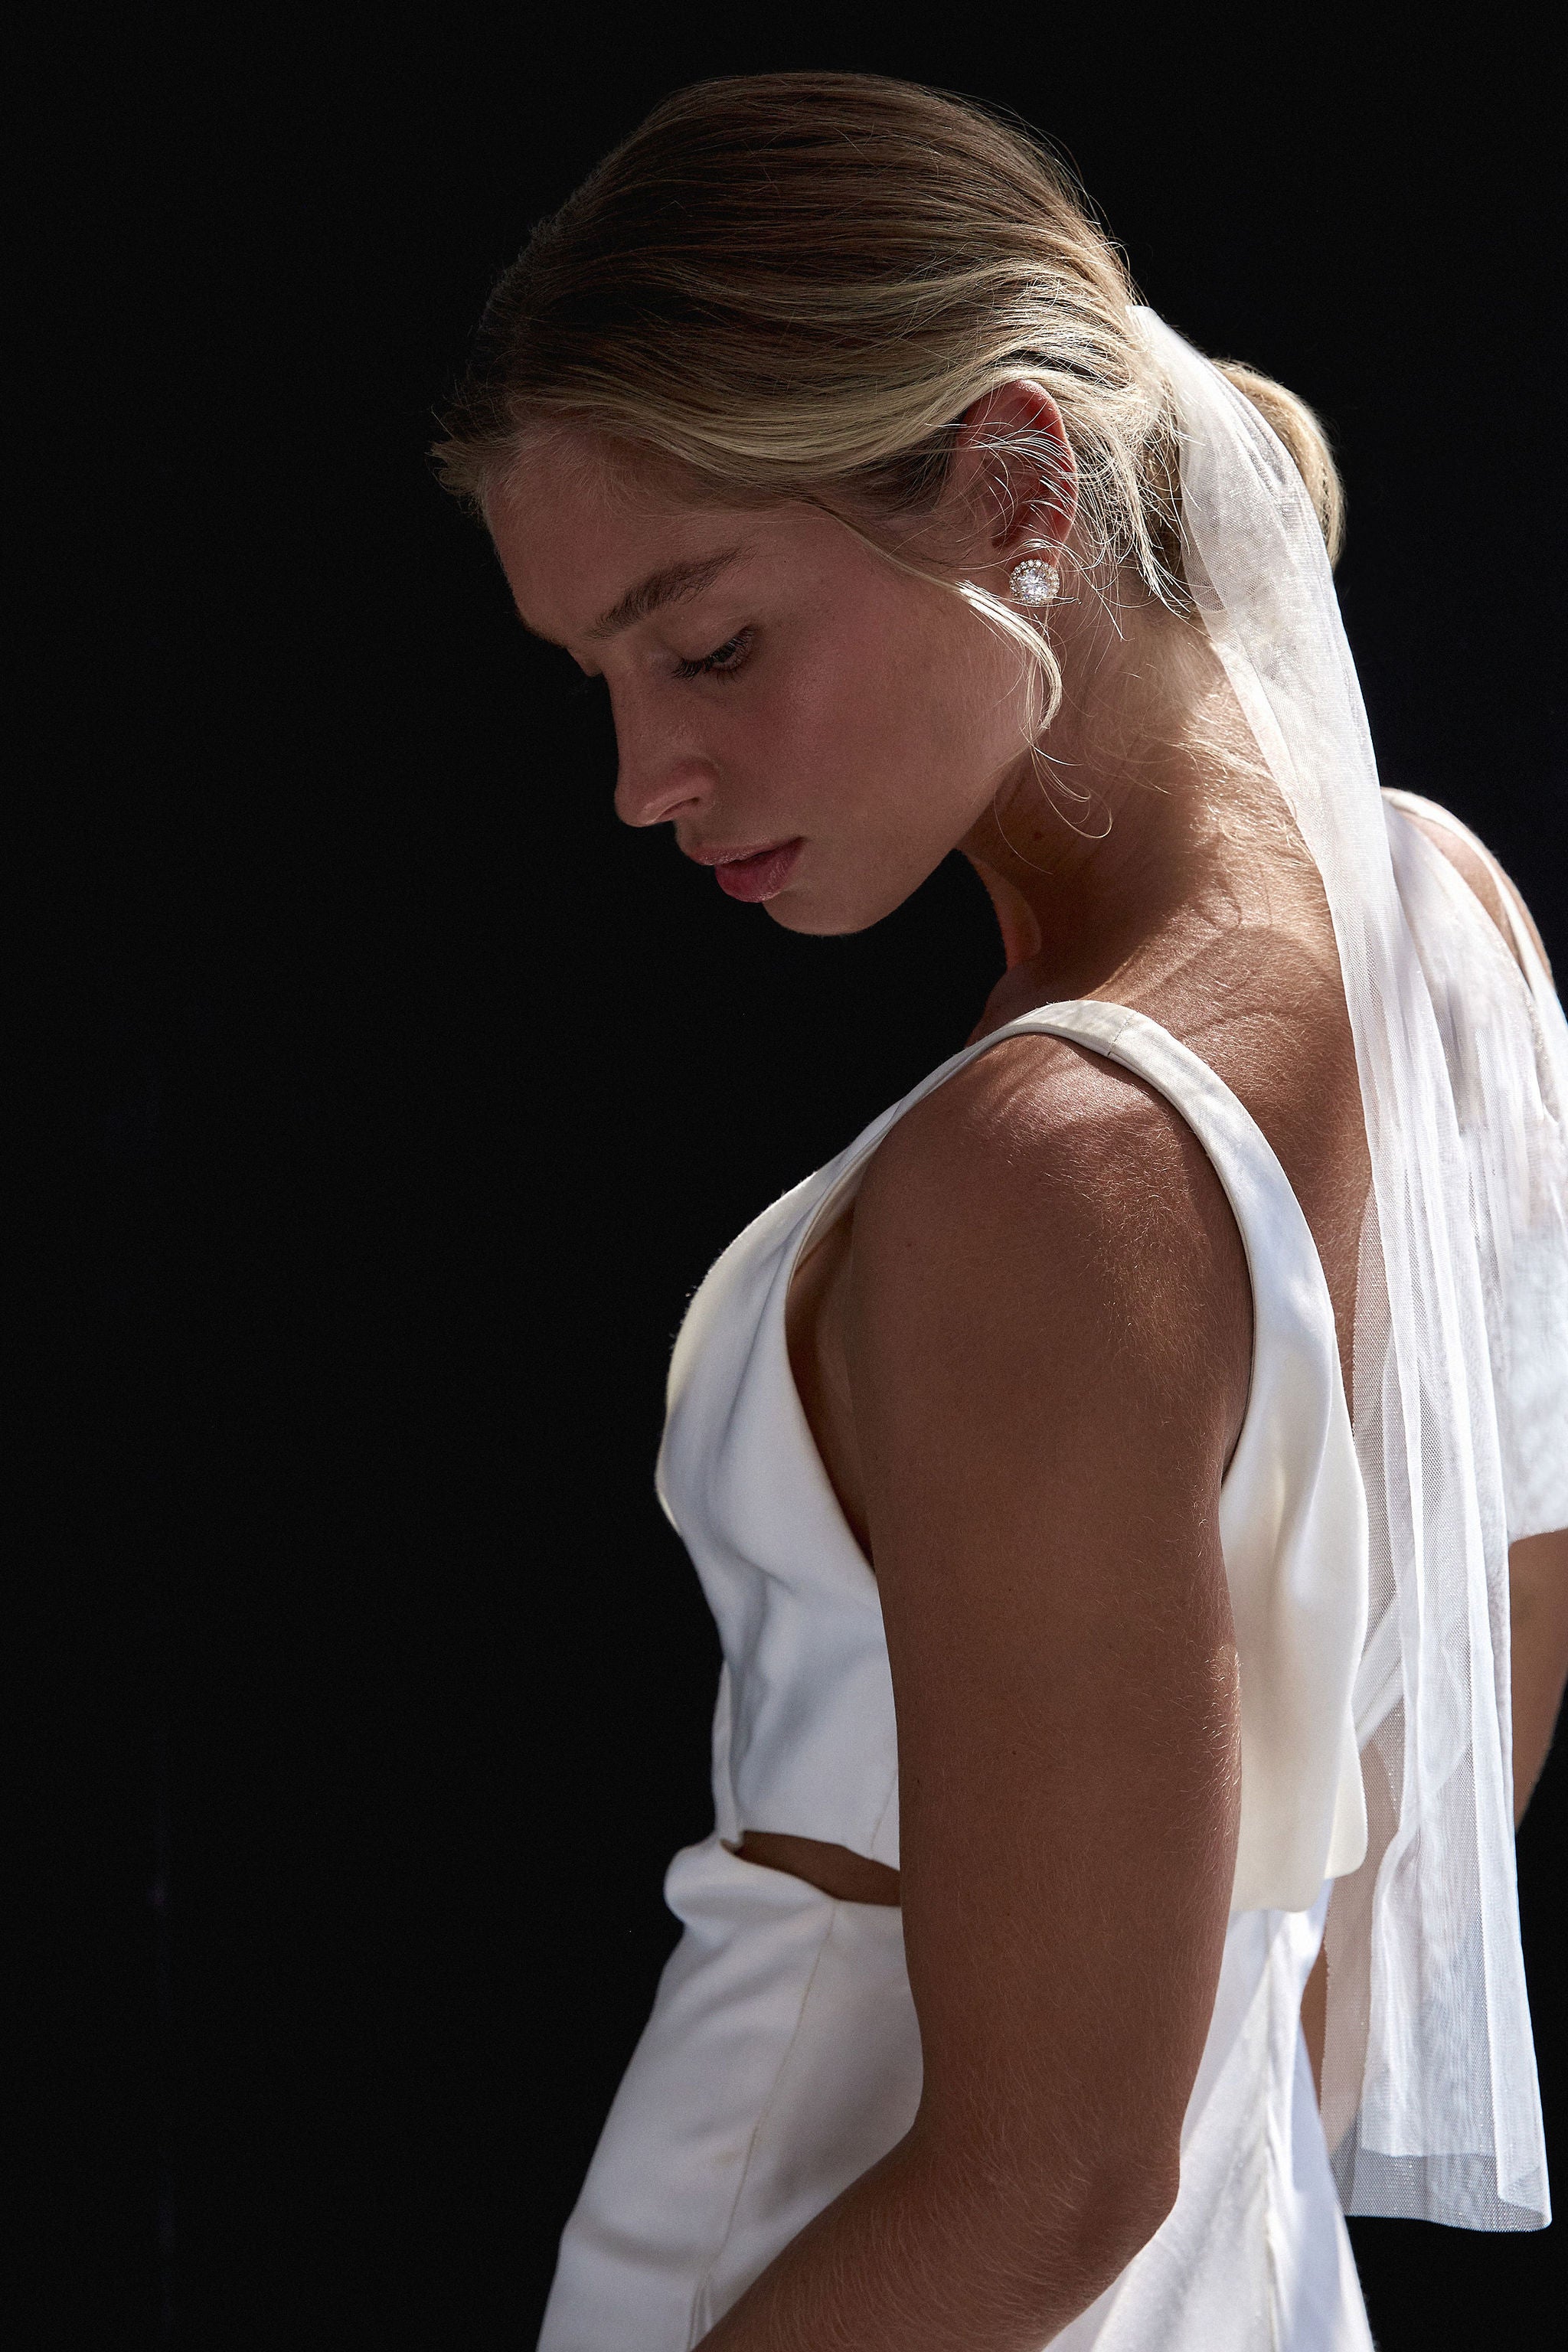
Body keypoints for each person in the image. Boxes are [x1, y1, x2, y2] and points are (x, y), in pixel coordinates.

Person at [433, 72, 1568, 2350]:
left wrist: (1119, 2184)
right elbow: (1479, 1696)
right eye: (602, 683)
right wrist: (1225, 2201)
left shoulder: (1051, 1174)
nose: (646, 780)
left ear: (1023, 487)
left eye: (709, 645)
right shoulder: (1445, 930)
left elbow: (1049, 2176)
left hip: (810, 2267)